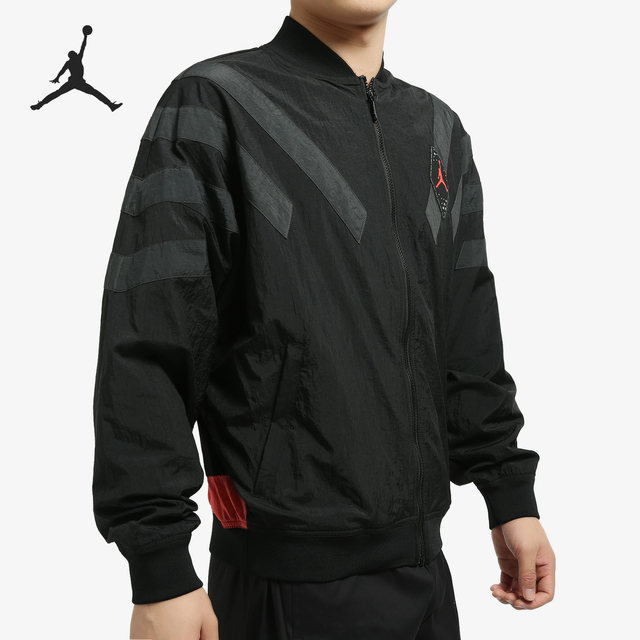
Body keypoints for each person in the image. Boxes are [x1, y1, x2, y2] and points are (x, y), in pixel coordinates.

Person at [92, 2, 556, 639]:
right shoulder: (216, 103)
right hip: (284, 580)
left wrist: (508, 494)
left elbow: (466, 330)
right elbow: (149, 340)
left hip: (426, 572)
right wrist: (160, 569)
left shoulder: (438, 129)